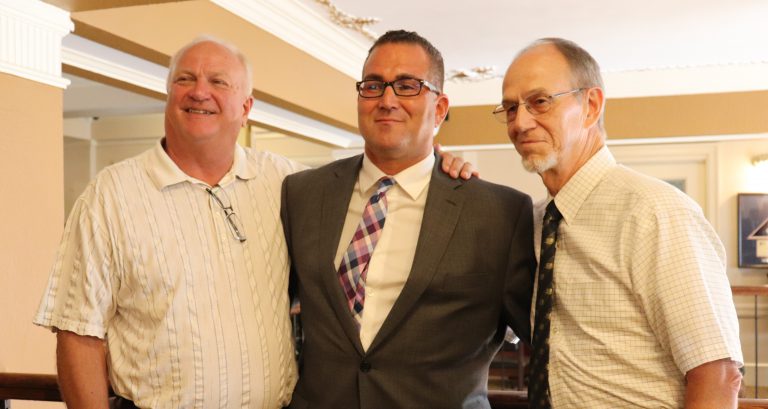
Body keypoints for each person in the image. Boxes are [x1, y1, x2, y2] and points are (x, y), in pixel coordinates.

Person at [33, 35, 472, 409]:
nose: (198, 91)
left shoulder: (287, 183)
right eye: (184, 79)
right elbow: (77, 332)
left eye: (218, 82)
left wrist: (438, 167)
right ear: (168, 95)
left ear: (246, 107)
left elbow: (378, 181)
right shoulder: (111, 195)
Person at [281, 30, 535, 409]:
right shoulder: (301, 193)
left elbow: (542, 339)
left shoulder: (499, 213)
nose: (387, 100)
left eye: (407, 86)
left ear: (440, 106)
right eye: (373, 85)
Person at [497, 37, 743, 408]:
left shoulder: (655, 213)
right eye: (510, 108)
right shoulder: (534, 223)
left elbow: (717, 373)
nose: (521, 122)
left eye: (540, 101)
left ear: (591, 105)